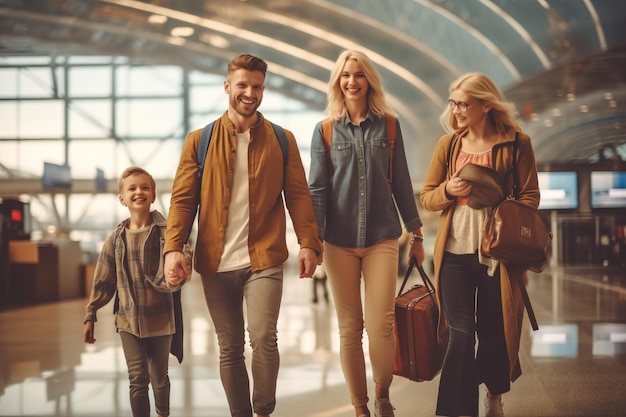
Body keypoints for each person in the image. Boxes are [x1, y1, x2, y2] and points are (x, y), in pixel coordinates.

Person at [163, 53, 322, 417]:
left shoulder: (283, 140)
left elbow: (298, 194)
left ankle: (263, 410)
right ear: (227, 87)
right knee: (230, 346)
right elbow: (183, 200)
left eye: (257, 87)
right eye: (243, 85)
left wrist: (309, 243)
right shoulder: (199, 141)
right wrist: (174, 248)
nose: (250, 93)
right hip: (216, 262)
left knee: (264, 337)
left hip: (263, 257)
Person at [308, 50, 425, 417]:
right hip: (338, 242)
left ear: (368, 80)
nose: (352, 81)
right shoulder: (325, 130)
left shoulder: (389, 126)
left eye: (358, 74)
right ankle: (360, 407)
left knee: (381, 325)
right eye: (345, 75)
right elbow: (317, 189)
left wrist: (417, 233)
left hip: (382, 238)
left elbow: (402, 182)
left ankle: (382, 391)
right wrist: (312, 242)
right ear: (337, 82)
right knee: (349, 329)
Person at [420, 72, 540, 417]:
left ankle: (495, 393)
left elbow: (530, 195)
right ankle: (454, 412)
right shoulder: (449, 145)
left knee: (492, 333)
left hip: (496, 255)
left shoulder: (517, 143)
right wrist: (448, 191)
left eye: (463, 103)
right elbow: (428, 197)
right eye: (453, 102)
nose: (456, 110)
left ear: (486, 105)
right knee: (459, 334)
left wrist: (502, 212)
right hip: (453, 253)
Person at [83, 166, 185, 417]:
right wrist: (90, 314)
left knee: (159, 378)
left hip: (161, 320)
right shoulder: (115, 239)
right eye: (132, 188)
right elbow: (103, 280)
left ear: (152, 195)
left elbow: (182, 265)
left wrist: (177, 275)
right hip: (128, 320)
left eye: (145, 187)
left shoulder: (168, 233)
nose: (139, 191)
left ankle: (163, 413)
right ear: (122, 198)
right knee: (137, 379)